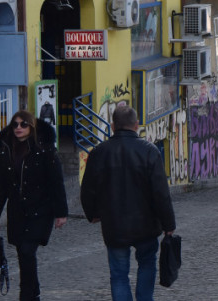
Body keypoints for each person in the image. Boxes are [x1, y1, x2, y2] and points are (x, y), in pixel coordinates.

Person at [81, 106, 176, 301]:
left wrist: (93, 213)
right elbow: (161, 193)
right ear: (137, 125)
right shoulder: (149, 151)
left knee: (118, 274)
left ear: (113, 126)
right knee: (147, 265)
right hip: (147, 225)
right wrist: (169, 225)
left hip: (114, 225)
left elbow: (88, 189)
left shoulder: (99, 153)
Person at [0, 111, 68, 301]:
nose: (18, 128)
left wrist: (61, 213)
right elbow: (2, 186)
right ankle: (35, 293)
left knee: (26, 251)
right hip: (17, 210)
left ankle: (26, 295)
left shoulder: (44, 149)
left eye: (23, 124)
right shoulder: (6, 149)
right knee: (23, 253)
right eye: (15, 124)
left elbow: (56, 182)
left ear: (31, 127)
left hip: (41, 210)